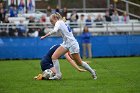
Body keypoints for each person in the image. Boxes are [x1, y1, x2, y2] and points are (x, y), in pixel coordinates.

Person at [40, 13, 97, 80]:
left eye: (52, 21)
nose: (51, 23)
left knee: (79, 63)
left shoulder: (58, 22)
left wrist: (45, 36)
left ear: (55, 19)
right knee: (54, 57)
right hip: (66, 43)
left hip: (72, 44)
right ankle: (58, 75)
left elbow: (55, 30)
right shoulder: (61, 22)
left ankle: (93, 72)